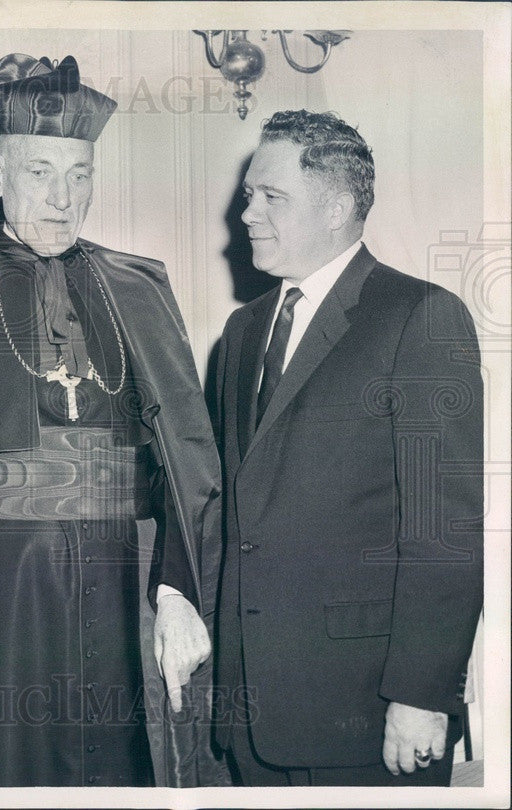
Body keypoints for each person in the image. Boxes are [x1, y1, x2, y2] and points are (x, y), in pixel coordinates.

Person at [0, 53, 225, 788]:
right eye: (40, 174)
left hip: (124, 580)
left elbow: (178, 454)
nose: (64, 198)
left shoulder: (139, 286)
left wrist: (178, 588)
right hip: (1, 587)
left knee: (132, 774)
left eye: (80, 175)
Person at [212, 109, 483, 787]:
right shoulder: (242, 332)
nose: (246, 213)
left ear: (335, 207)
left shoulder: (419, 317)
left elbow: (444, 530)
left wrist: (421, 695)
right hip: (252, 714)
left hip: (369, 715)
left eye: (270, 197)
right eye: (248, 194)